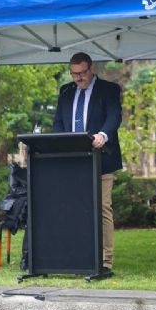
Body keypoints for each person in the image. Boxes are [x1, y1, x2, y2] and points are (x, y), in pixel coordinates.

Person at [53, 52, 122, 274]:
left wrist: (103, 134)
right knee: (73, 209)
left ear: (91, 69)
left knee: (102, 209)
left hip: (101, 159)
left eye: (82, 73)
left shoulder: (108, 89)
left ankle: (105, 261)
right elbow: (59, 123)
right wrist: (60, 144)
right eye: (74, 74)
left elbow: (114, 116)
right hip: (73, 162)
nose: (79, 78)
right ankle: (77, 256)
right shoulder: (65, 91)